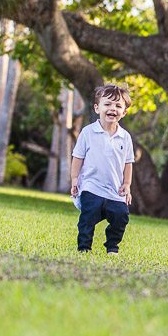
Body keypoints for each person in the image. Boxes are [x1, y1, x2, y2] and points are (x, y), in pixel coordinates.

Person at [71, 84, 135, 255]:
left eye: (118, 106)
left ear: (124, 112)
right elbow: (78, 157)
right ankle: (84, 248)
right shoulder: (88, 132)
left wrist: (127, 184)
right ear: (97, 108)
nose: (112, 108)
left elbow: (128, 162)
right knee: (87, 218)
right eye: (108, 104)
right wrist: (75, 179)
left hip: (115, 189)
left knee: (121, 217)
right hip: (91, 185)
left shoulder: (125, 137)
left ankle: (112, 247)